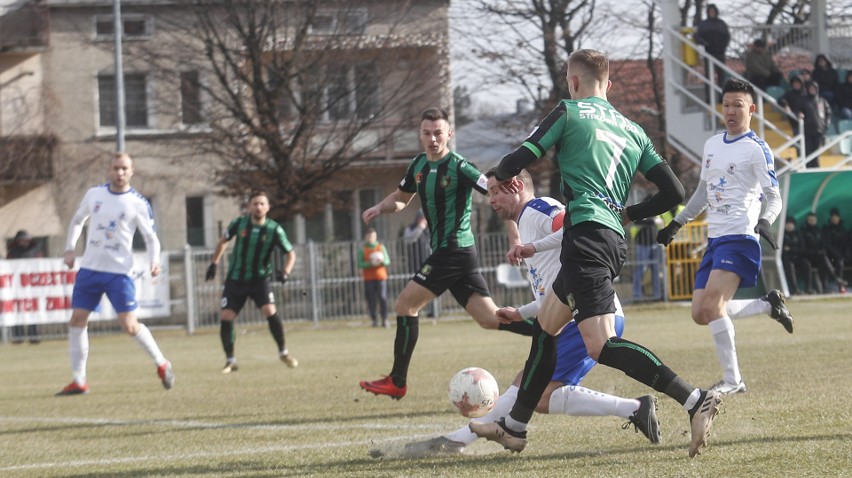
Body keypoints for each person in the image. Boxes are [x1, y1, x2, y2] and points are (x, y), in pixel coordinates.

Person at [469, 49, 720, 459]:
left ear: (573, 82)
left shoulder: (568, 112)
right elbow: (673, 193)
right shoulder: (633, 130)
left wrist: (506, 173)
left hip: (586, 235)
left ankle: (694, 399)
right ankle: (513, 426)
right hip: (604, 237)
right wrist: (628, 212)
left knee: (600, 345)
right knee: (546, 329)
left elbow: (514, 161)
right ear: (609, 85)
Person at [394, 170, 660, 457]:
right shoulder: (526, 222)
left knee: (526, 384)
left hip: (583, 315)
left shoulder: (538, 209)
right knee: (542, 397)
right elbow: (553, 292)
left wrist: (538, 246)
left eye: (496, 191)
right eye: (490, 192)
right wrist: (520, 313)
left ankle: (457, 441)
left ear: (518, 186)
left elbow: (570, 227)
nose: (491, 198)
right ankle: (635, 408)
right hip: (573, 313)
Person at [359, 107, 526, 400]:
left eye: (438, 133)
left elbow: (495, 194)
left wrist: (515, 233)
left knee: (405, 305)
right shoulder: (418, 165)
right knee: (489, 319)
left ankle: (397, 381)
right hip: (456, 254)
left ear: (449, 133)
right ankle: (553, 333)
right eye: (427, 133)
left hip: (453, 250)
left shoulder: (460, 166)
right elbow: (400, 199)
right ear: (420, 135)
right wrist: (379, 208)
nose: (433, 139)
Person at [657, 78, 794, 396]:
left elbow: (774, 196)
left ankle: (733, 381)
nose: (731, 111)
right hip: (715, 239)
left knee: (715, 306)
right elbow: (703, 191)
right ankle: (766, 305)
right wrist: (677, 223)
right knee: (700, 313)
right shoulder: (712, 145)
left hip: (741, 237)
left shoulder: (757, 149)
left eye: (738, 105)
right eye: (727, 104)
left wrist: (765, 222)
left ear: (752, 110)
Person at [57, 152, 174, 395]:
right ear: (109, 170)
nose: (119, 173)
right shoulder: (94, 194)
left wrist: (154, 261)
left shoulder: (138, 203)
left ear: (132, 171)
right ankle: (79, 380)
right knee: (77, 320)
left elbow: (152, 239)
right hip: (90, 269)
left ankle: (162, 363)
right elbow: (78, 220)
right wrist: (70, 249)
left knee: (129, 325)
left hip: (119, 273)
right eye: (115, 168)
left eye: (124, 169)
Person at [206, 190, 297, 373]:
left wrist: (286, 272)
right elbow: (224, 240)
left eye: (262, 203)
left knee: (270, 310)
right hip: (236, 279)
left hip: (259, 279)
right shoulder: (239, 224)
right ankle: (230, 360)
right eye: (255, 203)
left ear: (268, 207)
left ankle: (283, 352)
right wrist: (214, 263)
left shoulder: (274, 229)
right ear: (249, 207)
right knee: (226, 317)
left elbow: (291, 254)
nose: (258, 207)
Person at [7, 229, 43, 344]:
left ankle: (34, 336)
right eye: (22, 239)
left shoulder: (35, 251)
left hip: (32, 287)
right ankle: (18, 337)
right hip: (16, 287)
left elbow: (41, 265)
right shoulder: (12, 253)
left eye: (26, 239)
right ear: (18, 241)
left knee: (33, 311)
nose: (25, 242)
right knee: (17, 311)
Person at [800, 211, 847, 293]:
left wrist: (820, 251)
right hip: (808, 257)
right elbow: (803, 249)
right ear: (807, 220)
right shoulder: (803, 232)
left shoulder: (819, 230)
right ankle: (836, 279)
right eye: (810, 220)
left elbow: (823, 244)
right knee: (822, 258)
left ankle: (825, 288)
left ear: (816, 220)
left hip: (819, 257)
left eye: (813, 220)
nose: (812, 222)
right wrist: (816, 252)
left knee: (823, 261)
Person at [402, 210, 434, 317]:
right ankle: (414, 310)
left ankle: (432, 311)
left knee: (429, 287)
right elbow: (409, 240)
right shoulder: (410, 228)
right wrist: (420, 228)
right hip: (415, 264)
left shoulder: (429, 230)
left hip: (427, 264)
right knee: (415, 288)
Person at [694, 3, 730, 95]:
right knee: (709, 76)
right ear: (708, 13)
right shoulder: (703, 24)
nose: (712, 13)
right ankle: (709, 98)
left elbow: (727, 36)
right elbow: (698, 36)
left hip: (720, 52)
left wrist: (724, 46)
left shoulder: (721, 24)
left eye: (713, 11)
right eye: (710, 11)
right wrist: (706, 44)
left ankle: (722, 97)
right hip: (709, 52)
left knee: (721, 76)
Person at [359, 227, 390, 327]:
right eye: (369, 236)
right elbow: (360, 264)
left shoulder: (381, 247)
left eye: (373, 236)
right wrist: (370, 264)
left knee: (382, 297)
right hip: (369, 278)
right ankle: (374, 319)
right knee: (371, 299)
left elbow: (387, 261)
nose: (371, 238)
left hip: (381, 277)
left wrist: (381, 262)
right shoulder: (363, 249)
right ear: (366, 237)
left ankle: (384, 319)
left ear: (376, 236)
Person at [631, 212, 663, 301]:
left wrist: (652, 221)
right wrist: (653, 221)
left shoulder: (658, 211)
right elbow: (637, 222)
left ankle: (657, 295)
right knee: (641, 269)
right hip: (642, 244)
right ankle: (637, 295)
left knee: (656, 270)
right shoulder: (641, 212)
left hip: (655, 244)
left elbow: (661, 222)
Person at [800, 81, 832, 168]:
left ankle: (816, 168)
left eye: (814, 88)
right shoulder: (804, 100)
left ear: (817, 89)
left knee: (816, 153)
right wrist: (800, 114)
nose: (812, 90)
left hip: (819, 131)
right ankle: (808, 169)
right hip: (807, 131)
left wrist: (826, 124)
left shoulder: (822, 101)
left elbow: (828, 113)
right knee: (808, 152)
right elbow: (799, 110)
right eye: (811, 88)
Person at [781, 216, 813, 295]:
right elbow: (782, 249)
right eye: (787, 224)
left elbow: (802, 249)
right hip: (787, 258)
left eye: (791, 224)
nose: (789, 225)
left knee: (807, 264)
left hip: (798, 257)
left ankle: (808, 288)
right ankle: (795, 289)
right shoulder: (781, 234)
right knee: (790, 266)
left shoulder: (798, 234)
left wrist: (790, 249)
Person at [823, 208, 848, 293]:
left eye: (836, 217)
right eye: (833, 217)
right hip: (830, 255)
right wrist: (838, 255)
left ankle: (840, 286)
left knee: (840, 262)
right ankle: (837, 284)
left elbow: (846, 244)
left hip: (840, 256)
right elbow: (827, 245)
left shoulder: (843, 229)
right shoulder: (827, 229)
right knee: (835, 262)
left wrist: (845, 255)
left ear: (839, 218)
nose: (834, 219)